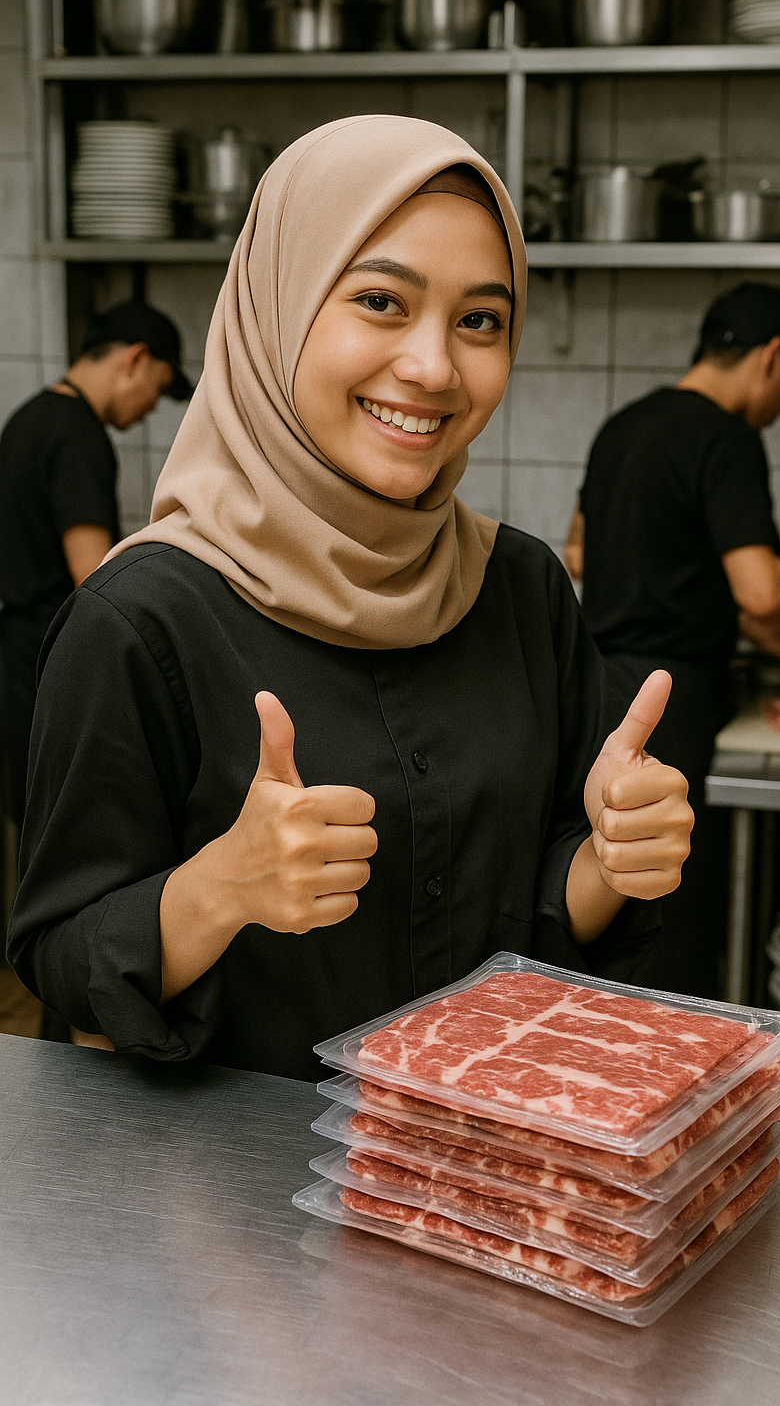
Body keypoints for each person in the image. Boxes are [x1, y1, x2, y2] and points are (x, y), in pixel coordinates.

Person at [7, 116, 694, 1080]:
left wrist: (608, 864)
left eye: (481, 320)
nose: (434, 367)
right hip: (223, 1203)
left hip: (465, 1171)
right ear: (279, 308)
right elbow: (61, 961)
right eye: (380, 300)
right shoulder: (140, 618)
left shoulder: (522, 588)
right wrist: (220, 888)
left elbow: (528, 923)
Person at [564, 282, 780, 997]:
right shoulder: (726, 438)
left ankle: (601, 1070)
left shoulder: (622, 426)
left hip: (598, 693)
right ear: (773, 357)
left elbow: (584, 555)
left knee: (616, 885)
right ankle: (676, 1079)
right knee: (674, 905)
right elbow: (765, 588)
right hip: (674, 703)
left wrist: (735, 622)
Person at [0, 302, 192, 825]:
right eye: (159, 386)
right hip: (48, 668)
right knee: (65, 834)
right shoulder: (78, 436)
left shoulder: (30, 418)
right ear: (135, 359)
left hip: (17, 660)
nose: (152, 407)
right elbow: (93, 581)